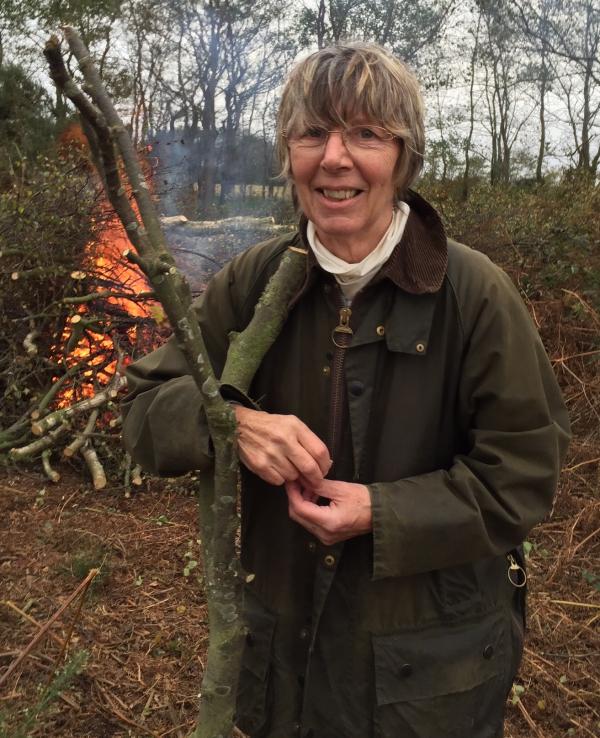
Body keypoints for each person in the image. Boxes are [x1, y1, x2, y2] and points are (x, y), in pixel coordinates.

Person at [122, 42, 570, 738]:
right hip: (285, 671)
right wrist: (231, 424)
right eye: (312, 133)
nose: (334, 158)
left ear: (403, 155)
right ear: (289, 154)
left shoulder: (475, 295)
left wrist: (382, 514)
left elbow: (523, 475)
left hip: (428, 682)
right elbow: (146, 410)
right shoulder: (254, 284)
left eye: (365, 134)